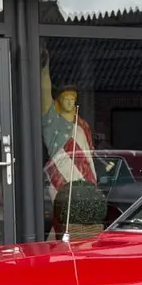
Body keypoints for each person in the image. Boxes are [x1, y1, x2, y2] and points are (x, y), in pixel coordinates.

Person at [41, 56, 96, 192]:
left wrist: (93, 177)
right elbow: (45, 91)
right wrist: (44, 67)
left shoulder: (83, 125)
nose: (70, 102)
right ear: (59, 100)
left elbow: (89, 154)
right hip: (61, 178)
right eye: (66, 98)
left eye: (72, 98)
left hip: (84, 178)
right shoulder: (53, 122)